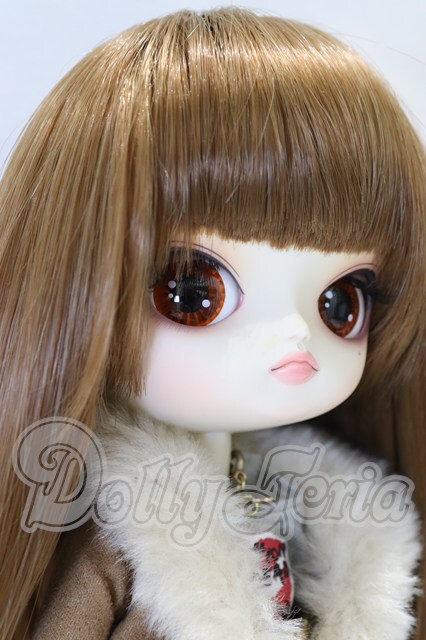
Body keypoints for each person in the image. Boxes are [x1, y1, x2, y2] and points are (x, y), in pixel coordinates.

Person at [0, 8, 424, 639]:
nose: (297, 336)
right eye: (195, 293)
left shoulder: (332, 520)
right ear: (77, 289)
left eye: (340, 301)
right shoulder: (112, 532)